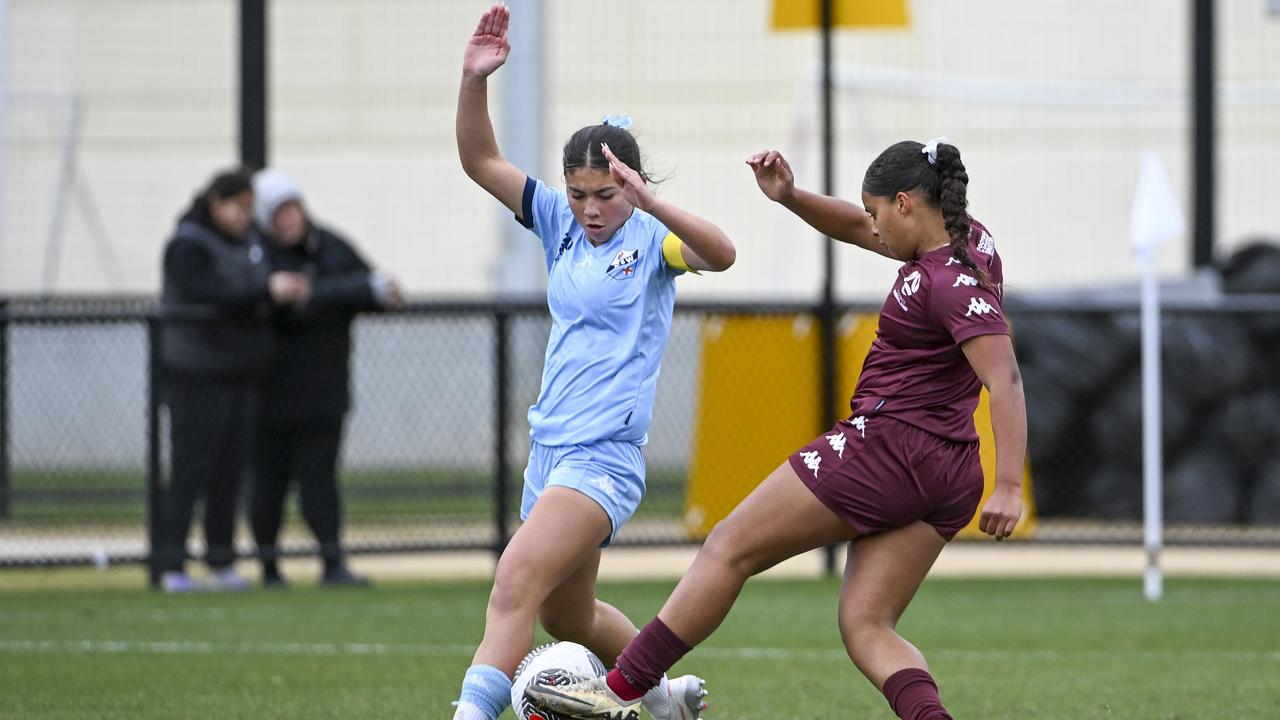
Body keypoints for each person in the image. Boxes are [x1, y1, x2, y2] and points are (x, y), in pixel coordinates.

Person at [526, 138, 1026, 720]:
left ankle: (620, 689)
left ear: (907, 203)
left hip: (890, 448)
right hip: (948, 470)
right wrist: (791, 197)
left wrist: (1011, 485)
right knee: (866, 623)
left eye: (875, 212)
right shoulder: (969, 242)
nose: (871, 227)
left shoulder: (948, 282)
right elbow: (860, 230)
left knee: (729, 548)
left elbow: (1006, 378)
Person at [451, 5, 737, 720]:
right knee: (566, 619)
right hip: (550, 452)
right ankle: (665, 698)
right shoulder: (558, 223)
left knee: (513, 579)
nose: (589, 209)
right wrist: (472, 81)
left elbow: (721, 252)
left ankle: (470, 714)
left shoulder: (651, 240)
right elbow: (481, 162)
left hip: (602, 456)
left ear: (630, 187)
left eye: (605, 195)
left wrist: (651, 203)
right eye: (579, 195)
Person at [158, 167, 312, 593]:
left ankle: (221, 559)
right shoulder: (187, 245)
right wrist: (267, 292)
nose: (246, 217)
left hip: (241, 374)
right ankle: (171, 563)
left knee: (229, 473)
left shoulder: (249, 246)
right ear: (216, 203)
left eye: (249, 208)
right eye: (238, 207)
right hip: (196, 375)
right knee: (191, 470)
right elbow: (210, 293)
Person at [248, 168, 403, 589]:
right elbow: (248, 295)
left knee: (320, 482)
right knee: (267, 485)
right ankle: (268, 566)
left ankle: (332, 561)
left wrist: (313, 294)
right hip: (266, 395)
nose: (288, 220)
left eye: (291, 209)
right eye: (277, 214)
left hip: (323, 393)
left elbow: (370, 287)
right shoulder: (252, 253)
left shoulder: (329, 246)